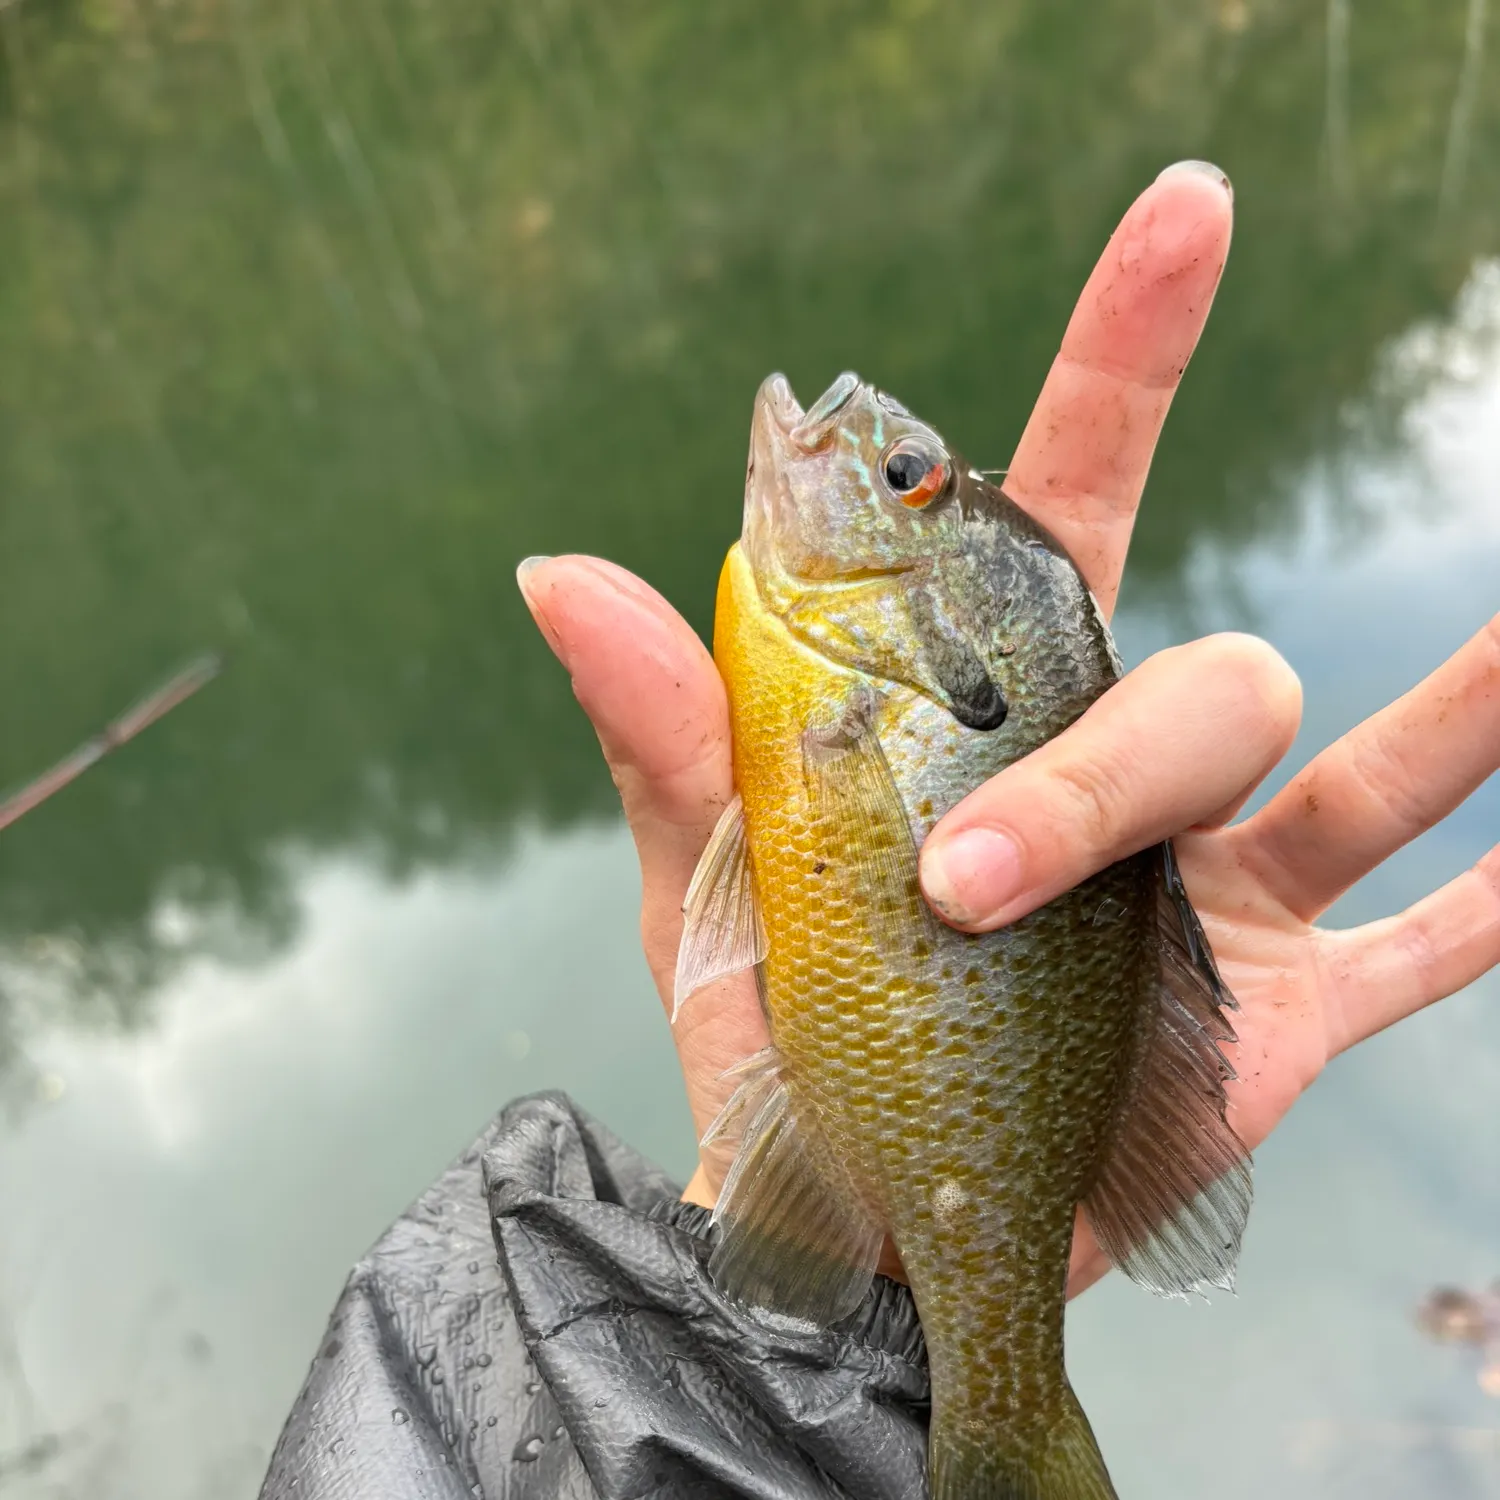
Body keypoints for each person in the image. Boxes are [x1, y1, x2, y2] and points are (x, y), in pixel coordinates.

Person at [258, 163, 1500, 1500]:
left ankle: (1004, 1420)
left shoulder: (846, 682)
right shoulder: (837, 676)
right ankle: (999, 1416)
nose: (860, 437)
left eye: (903, 477)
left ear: (954, 641)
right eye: (912, 473)